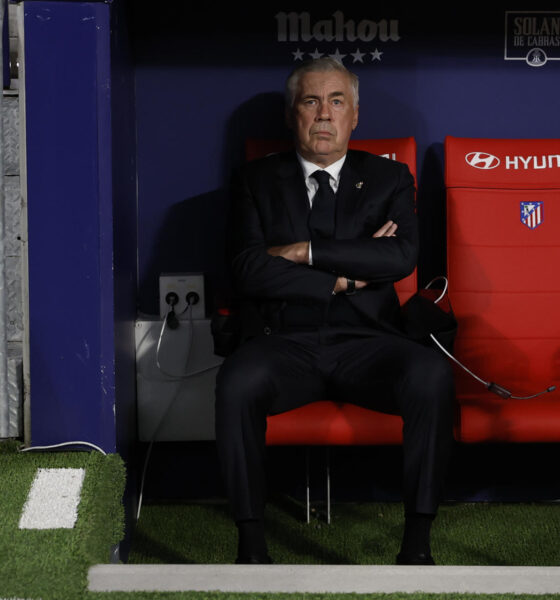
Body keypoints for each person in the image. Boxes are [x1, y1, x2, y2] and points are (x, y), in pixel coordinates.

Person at [215, 57, 454, 566]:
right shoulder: (254, 180)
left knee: (431, 376)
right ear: (292, 114)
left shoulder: (390, 177)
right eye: (311, 101)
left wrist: (303, 252)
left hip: (370, 343)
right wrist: (345, 276)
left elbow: (398, 257)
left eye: (336, 101)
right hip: (284, 343)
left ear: (354, 116)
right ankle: (251, 549)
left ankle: (417, 548)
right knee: (236, 381)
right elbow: (249, 270)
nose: (324, 114)